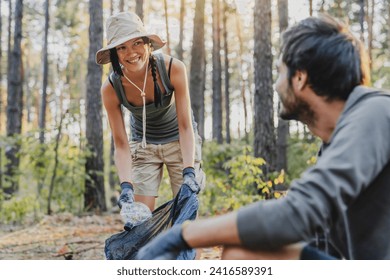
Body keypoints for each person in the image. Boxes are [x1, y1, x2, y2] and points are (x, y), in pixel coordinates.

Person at [136, 14, 390, 260]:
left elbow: (299, 214)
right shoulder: (336, 141)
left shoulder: (375, 113)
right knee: (244, 254)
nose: (277, 84)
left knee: (243, 255)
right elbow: (321, 242)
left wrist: (183, 234)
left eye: (280, 72)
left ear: (300, 78)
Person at [95, 12, 205, 214]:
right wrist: (126, 185)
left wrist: (189, 171)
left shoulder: (173, 68)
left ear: (147, 44)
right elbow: (120, 144)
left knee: (184, 211)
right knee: (140, 217)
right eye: (122, 47)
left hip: (180, 142)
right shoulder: (111, 88)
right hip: (144, 146)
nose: (131, 53)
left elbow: (186, 126)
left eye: (136, 43)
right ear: (114, 53)